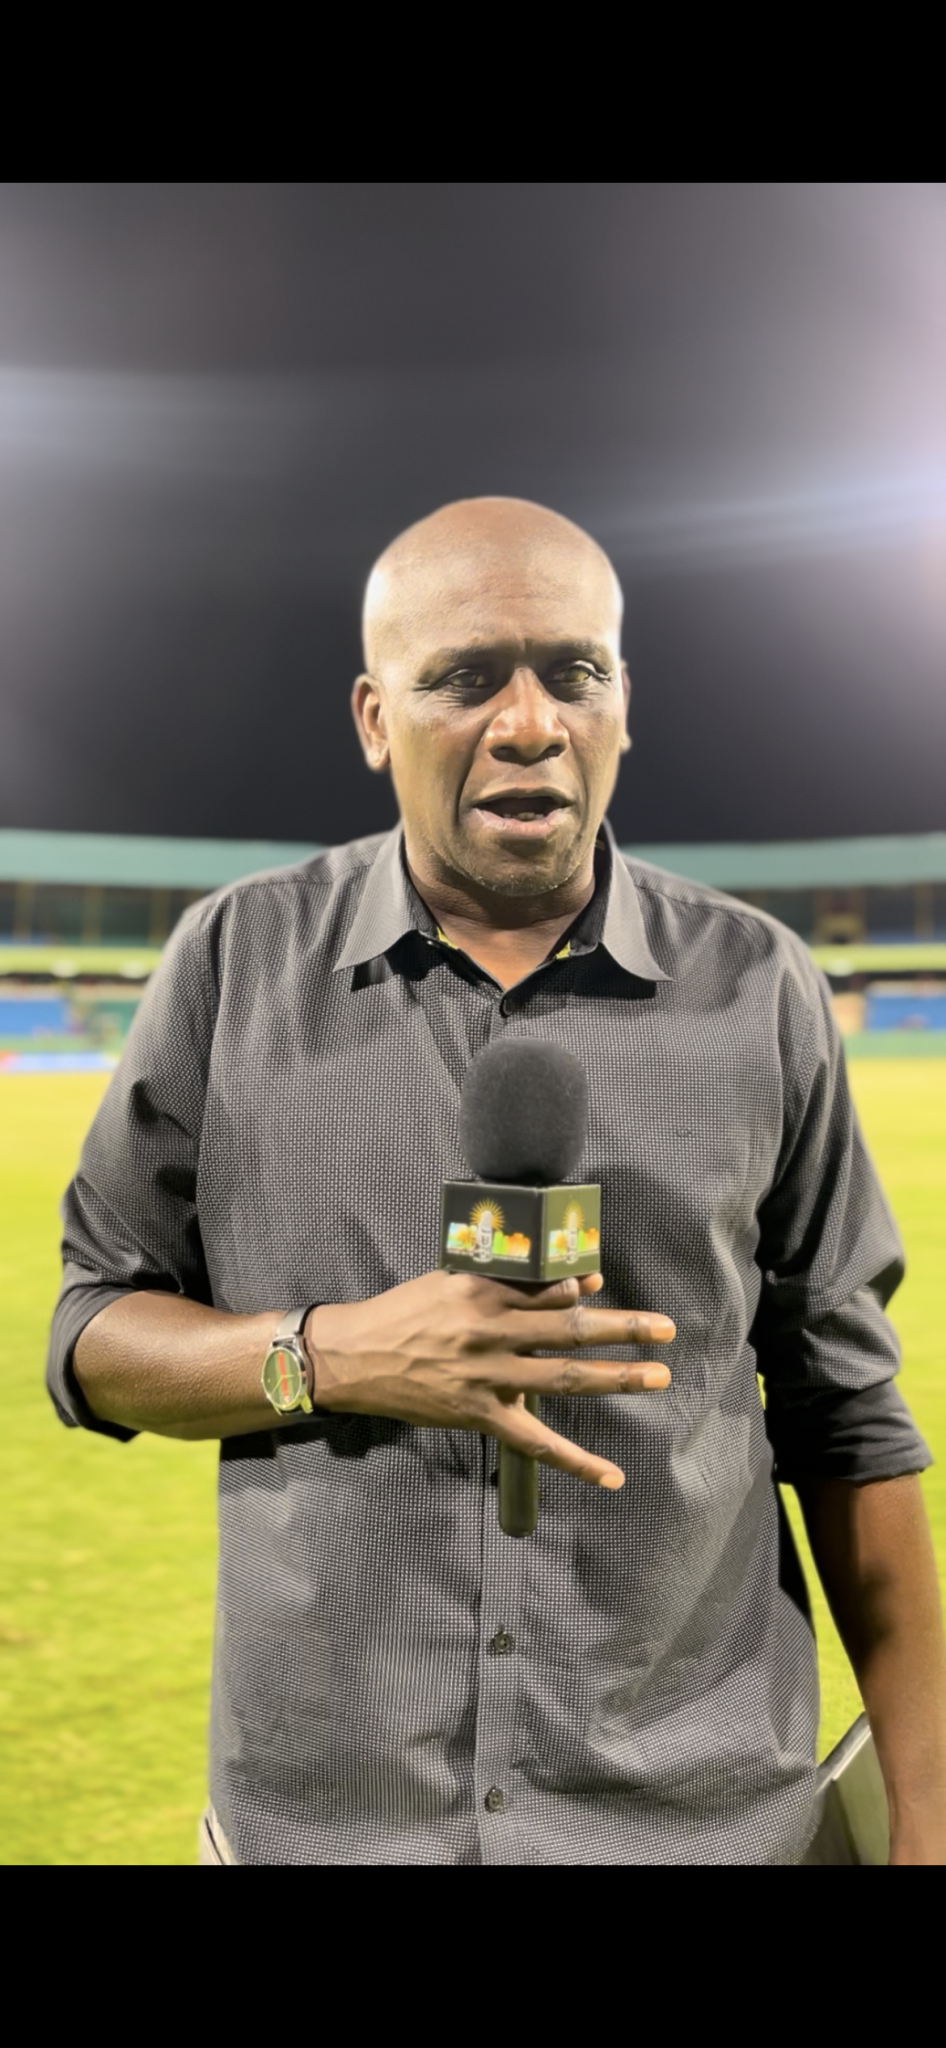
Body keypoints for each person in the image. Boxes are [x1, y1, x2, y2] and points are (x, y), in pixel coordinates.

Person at [47, 497, 946, 1866]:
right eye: (465, 678)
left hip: (699, 1828)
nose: (529, 722)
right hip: (336, 1829)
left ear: (623, 705)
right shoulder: (235, 965)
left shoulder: (758, 987)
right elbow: (92, 1333)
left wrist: (926, 1814)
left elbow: (847, 1416)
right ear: (373, 718)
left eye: (573, 672)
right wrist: (331, 1355)